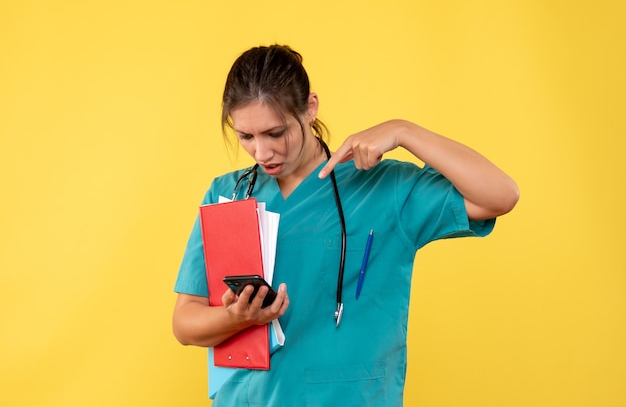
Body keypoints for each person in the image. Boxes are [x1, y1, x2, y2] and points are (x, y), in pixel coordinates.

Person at [172, 44, 519, 406]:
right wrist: (235, 317)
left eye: (275, 133)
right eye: (246, 137)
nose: (262, 153)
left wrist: (403, 131)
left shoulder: (381, 188)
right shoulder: (229, 194)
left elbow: (500, 195)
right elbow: (185, 323)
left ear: (310, 108)